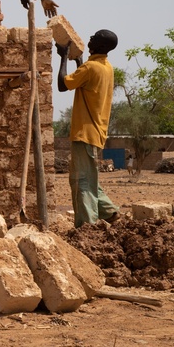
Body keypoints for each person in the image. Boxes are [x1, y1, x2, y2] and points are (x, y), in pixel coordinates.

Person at [57, 29, 120, 227]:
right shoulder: (106, 67)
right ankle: (109, 212)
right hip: (96, 133)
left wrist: (64, 58)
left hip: (85, 133)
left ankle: (87, 226)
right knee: (89, 177)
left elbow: (62, 85)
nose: (90, 39)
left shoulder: (91, 68)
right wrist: (79, 61)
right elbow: (86, 78)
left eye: (94, 38)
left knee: (80, 181)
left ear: (100, 46)